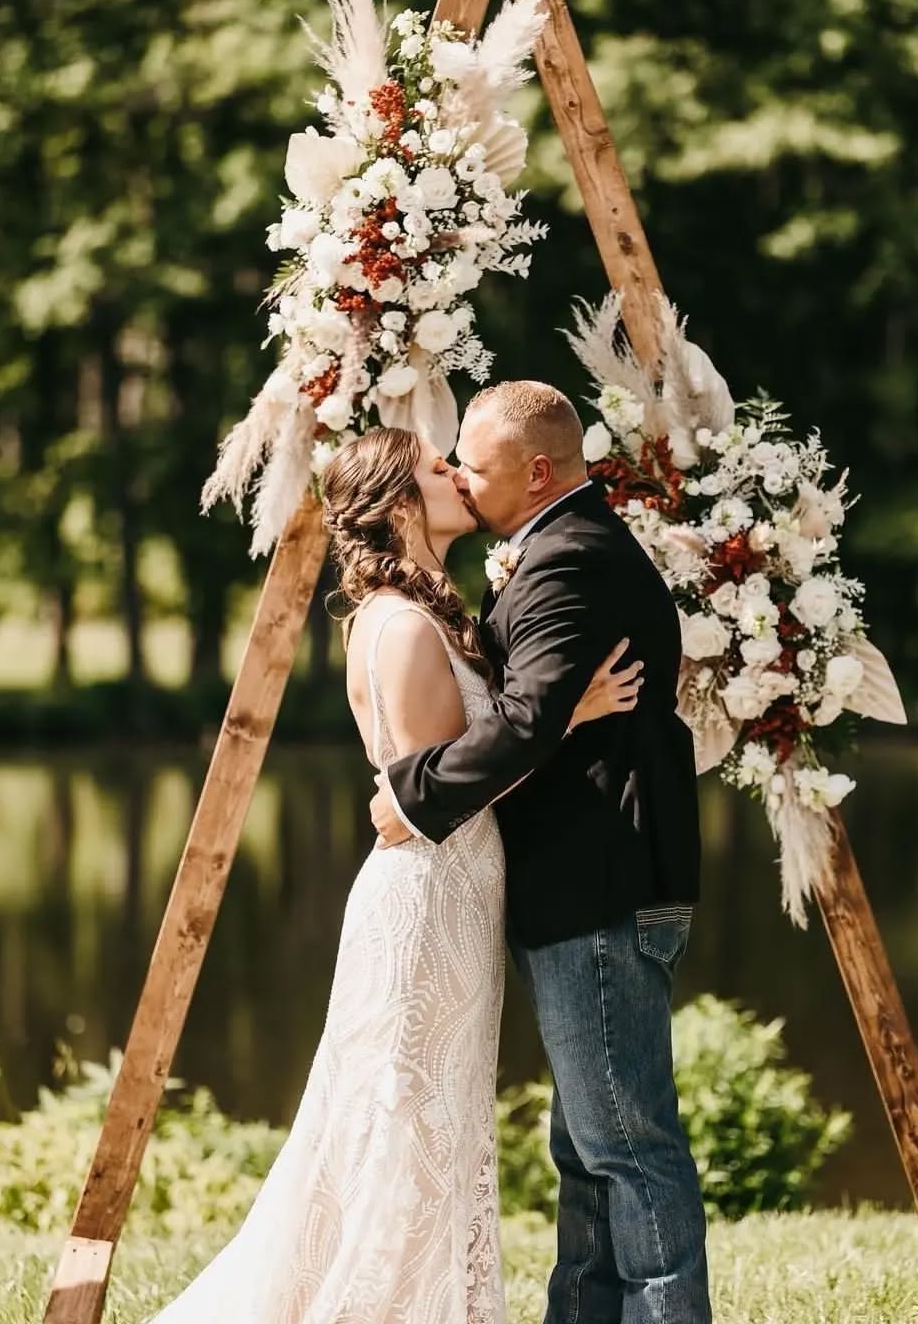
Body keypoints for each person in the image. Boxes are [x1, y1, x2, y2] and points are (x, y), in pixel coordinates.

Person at [146, 424, 639, 1324]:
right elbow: (440, 786)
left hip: (455, 897)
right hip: (425, 904)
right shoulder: (404, 625)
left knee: (430, 1120)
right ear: (401, 501)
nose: (456, 475)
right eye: (435, 468)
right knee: (406, 1125)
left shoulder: (425, 607)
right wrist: (570, 718)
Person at [371, 381, 711, 1324]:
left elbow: (523, 723)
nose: (461, 483)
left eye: (472, 467)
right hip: (587, 884)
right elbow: (542, 712)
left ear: (536, 471)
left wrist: (412, 795)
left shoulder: (566, 561)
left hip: (598, 884)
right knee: (586, 1147)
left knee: (626, 1146)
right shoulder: (557, 548)